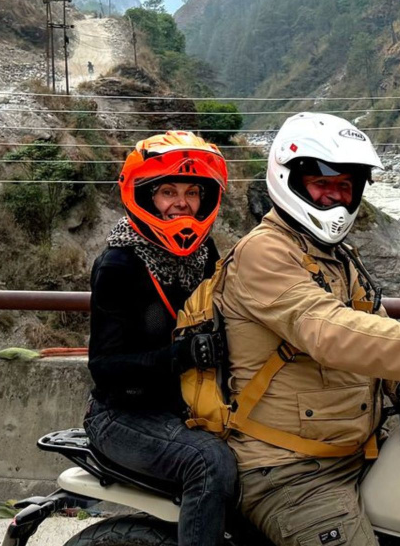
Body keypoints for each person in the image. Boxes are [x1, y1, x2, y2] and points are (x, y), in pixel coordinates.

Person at [213, 112, 400, 546]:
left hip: (353, 446)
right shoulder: (263, 254)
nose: (335, 199)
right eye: (322, 184)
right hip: (290, 468)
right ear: (290, 180)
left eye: (345, 187)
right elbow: (331, 331)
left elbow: (373, 325)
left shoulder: (334, 255)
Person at [85, 131, 238, 546]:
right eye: (167, 191)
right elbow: (104, 368)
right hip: (125, 415)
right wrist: (182, 355)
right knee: (210, 463)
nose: (181, 203)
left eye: (192, 191)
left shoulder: (203, 253)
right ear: (145, 196)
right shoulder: (121, 263)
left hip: (185, 404)